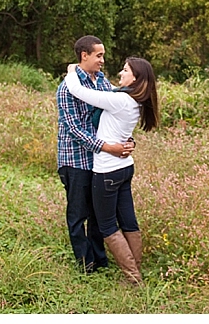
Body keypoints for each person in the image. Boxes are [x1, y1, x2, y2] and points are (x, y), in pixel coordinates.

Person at [64, 56, 159, 285]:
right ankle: (135, 272)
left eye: (125, 70)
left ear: (135, 78)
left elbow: (79, 91)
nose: (120, 73)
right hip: (125, 168)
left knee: (107, 226)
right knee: (129, 222)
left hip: (107, 171)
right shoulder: (135, 101)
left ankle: (133, 278)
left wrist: (70, 70)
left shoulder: (121, 100)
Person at [56, 35, 134, 274]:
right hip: (75, 159)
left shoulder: (101, 81)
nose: (103, 60)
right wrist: (108, 147)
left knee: (99, 213)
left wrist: (126, 139)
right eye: (99, 55)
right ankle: (85, 263)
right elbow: (75, 129)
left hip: (99, 160)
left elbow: (117, 109)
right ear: (84, 55)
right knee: (78, 213)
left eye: (103, 55)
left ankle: (100, 259)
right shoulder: (67, 88)